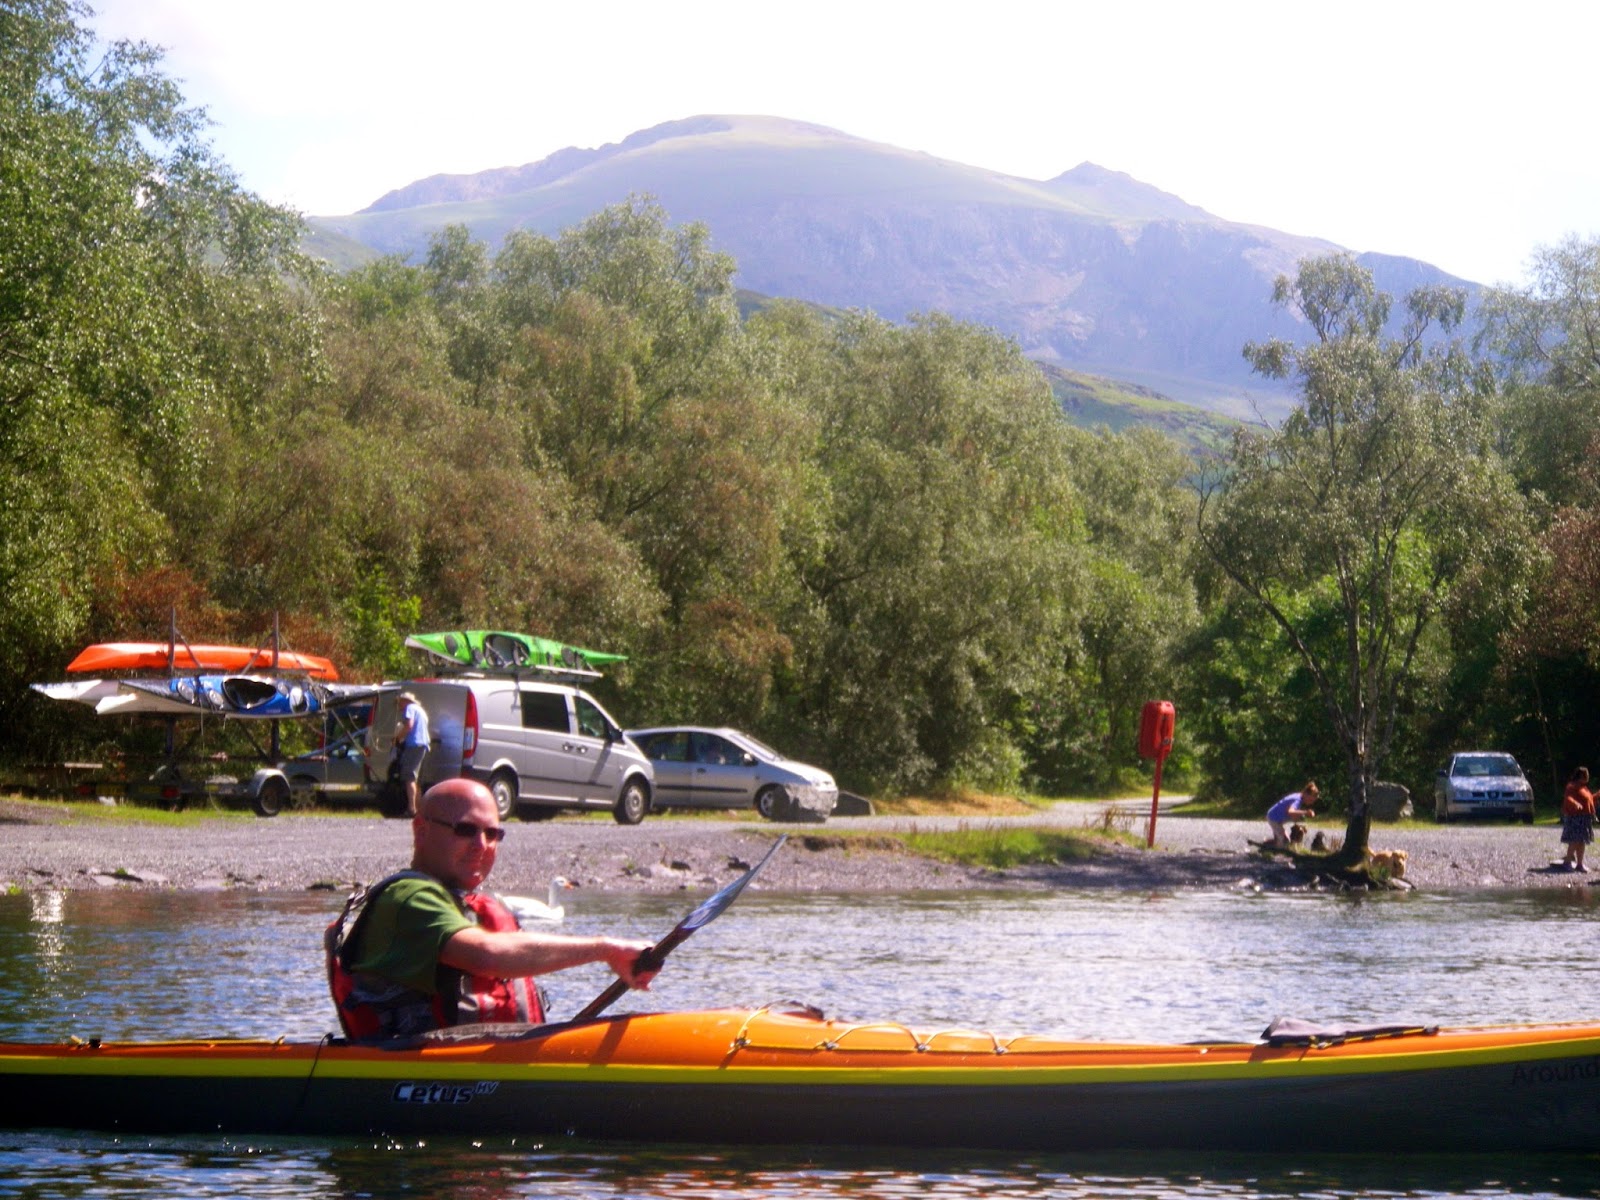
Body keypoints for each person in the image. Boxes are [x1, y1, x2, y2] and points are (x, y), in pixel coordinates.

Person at [325, 778, 657, 1040]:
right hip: (421, 1072)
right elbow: (486, 955)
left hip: (488, 1063)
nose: (481, 845)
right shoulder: (409, 897)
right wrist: (605, 949)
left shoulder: (465, 903)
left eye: (493, 833)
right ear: (421, 830)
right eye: (465, 830)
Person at [393, 691, 430, 817]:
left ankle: (412, 809)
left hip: (414, 745)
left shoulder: (410, 708)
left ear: (406, 701)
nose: (399, 705)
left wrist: (397, 738)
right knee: (416, 778)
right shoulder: (421, 711)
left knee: (409, 776)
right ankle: (418, 808)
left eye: (400, 701)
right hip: (423, 745)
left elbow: (409, 725)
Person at [1559, 767, 1595, 872]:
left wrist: (1597, 796)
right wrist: (1575, 803)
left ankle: (1580, 864)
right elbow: (1568, 798)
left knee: (1582, 841)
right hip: (1575, 818)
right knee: (1575, 840)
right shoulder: (1572, 786)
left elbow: (1589, 800)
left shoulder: (1584, 788)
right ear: (1581, 776)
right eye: (1586, 775)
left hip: (1584, 818)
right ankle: (1567, 862)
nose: (1588, 776)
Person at [1266, 782, 1319, 847]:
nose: (1311, 803)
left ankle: (1267, 845)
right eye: (1310, 800)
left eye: (1313, 801)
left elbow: (1293, 815)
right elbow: (1290, 812)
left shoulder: (1299, 796)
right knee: (1284, 842)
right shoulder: (1297, 800)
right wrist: (1306, 812)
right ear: (1305, 794)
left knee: (1281, 839)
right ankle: (1272, 849)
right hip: (1273, 818)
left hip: (1276, 817)